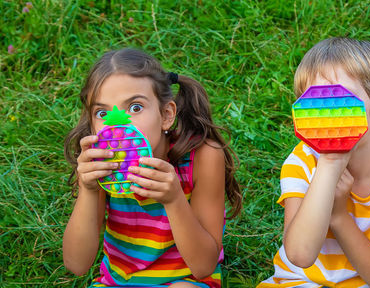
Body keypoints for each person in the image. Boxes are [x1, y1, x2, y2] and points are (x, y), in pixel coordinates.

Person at [258, 37, 370, 288]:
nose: (328, 115)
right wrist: (330, 164)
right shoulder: (302, 161)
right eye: (313, 104)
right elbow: (300, 254)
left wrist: (339, 217)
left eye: (341, 100)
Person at [62, 48, 242, 288]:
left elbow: (203, 266)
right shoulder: (102, 167)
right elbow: (76, 264)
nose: (119, 123)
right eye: (103, 112)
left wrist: (174, 199)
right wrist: (89, 188)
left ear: (166, 115)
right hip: (117, 282)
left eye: (135, 108)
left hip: (185, 280)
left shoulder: (203, 156)